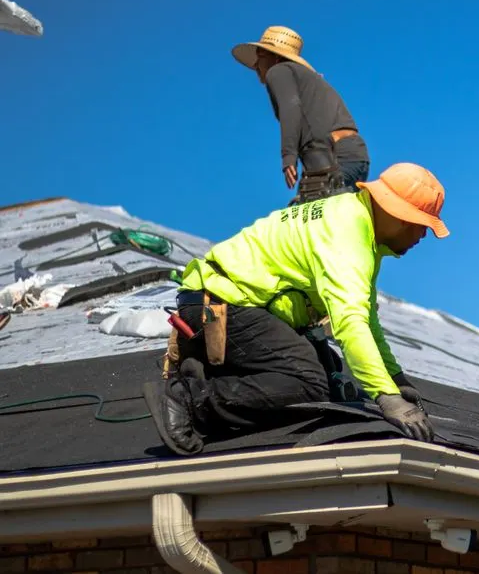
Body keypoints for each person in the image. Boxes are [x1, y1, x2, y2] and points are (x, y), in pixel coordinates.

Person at [153, 163, 449, 456]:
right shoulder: (348, 236)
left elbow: (366, 317)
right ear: (397, 215)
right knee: (308, 381)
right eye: (420, 225)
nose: (422, 236)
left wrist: (394, 378)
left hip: (229, 302)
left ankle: (209, 373)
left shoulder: (354, 218)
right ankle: (189, 400)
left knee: (331, 379)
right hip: (223, 303)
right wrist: (388, 398)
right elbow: (350, 323)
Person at [232, 25, 371, 203]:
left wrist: (288, 155)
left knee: (310, 219)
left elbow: (291, 107)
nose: (255, 64)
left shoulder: (278, 71)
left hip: (335, 159)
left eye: (261, 56)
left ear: (275, 58)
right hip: (352, 157)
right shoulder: (305, 81)